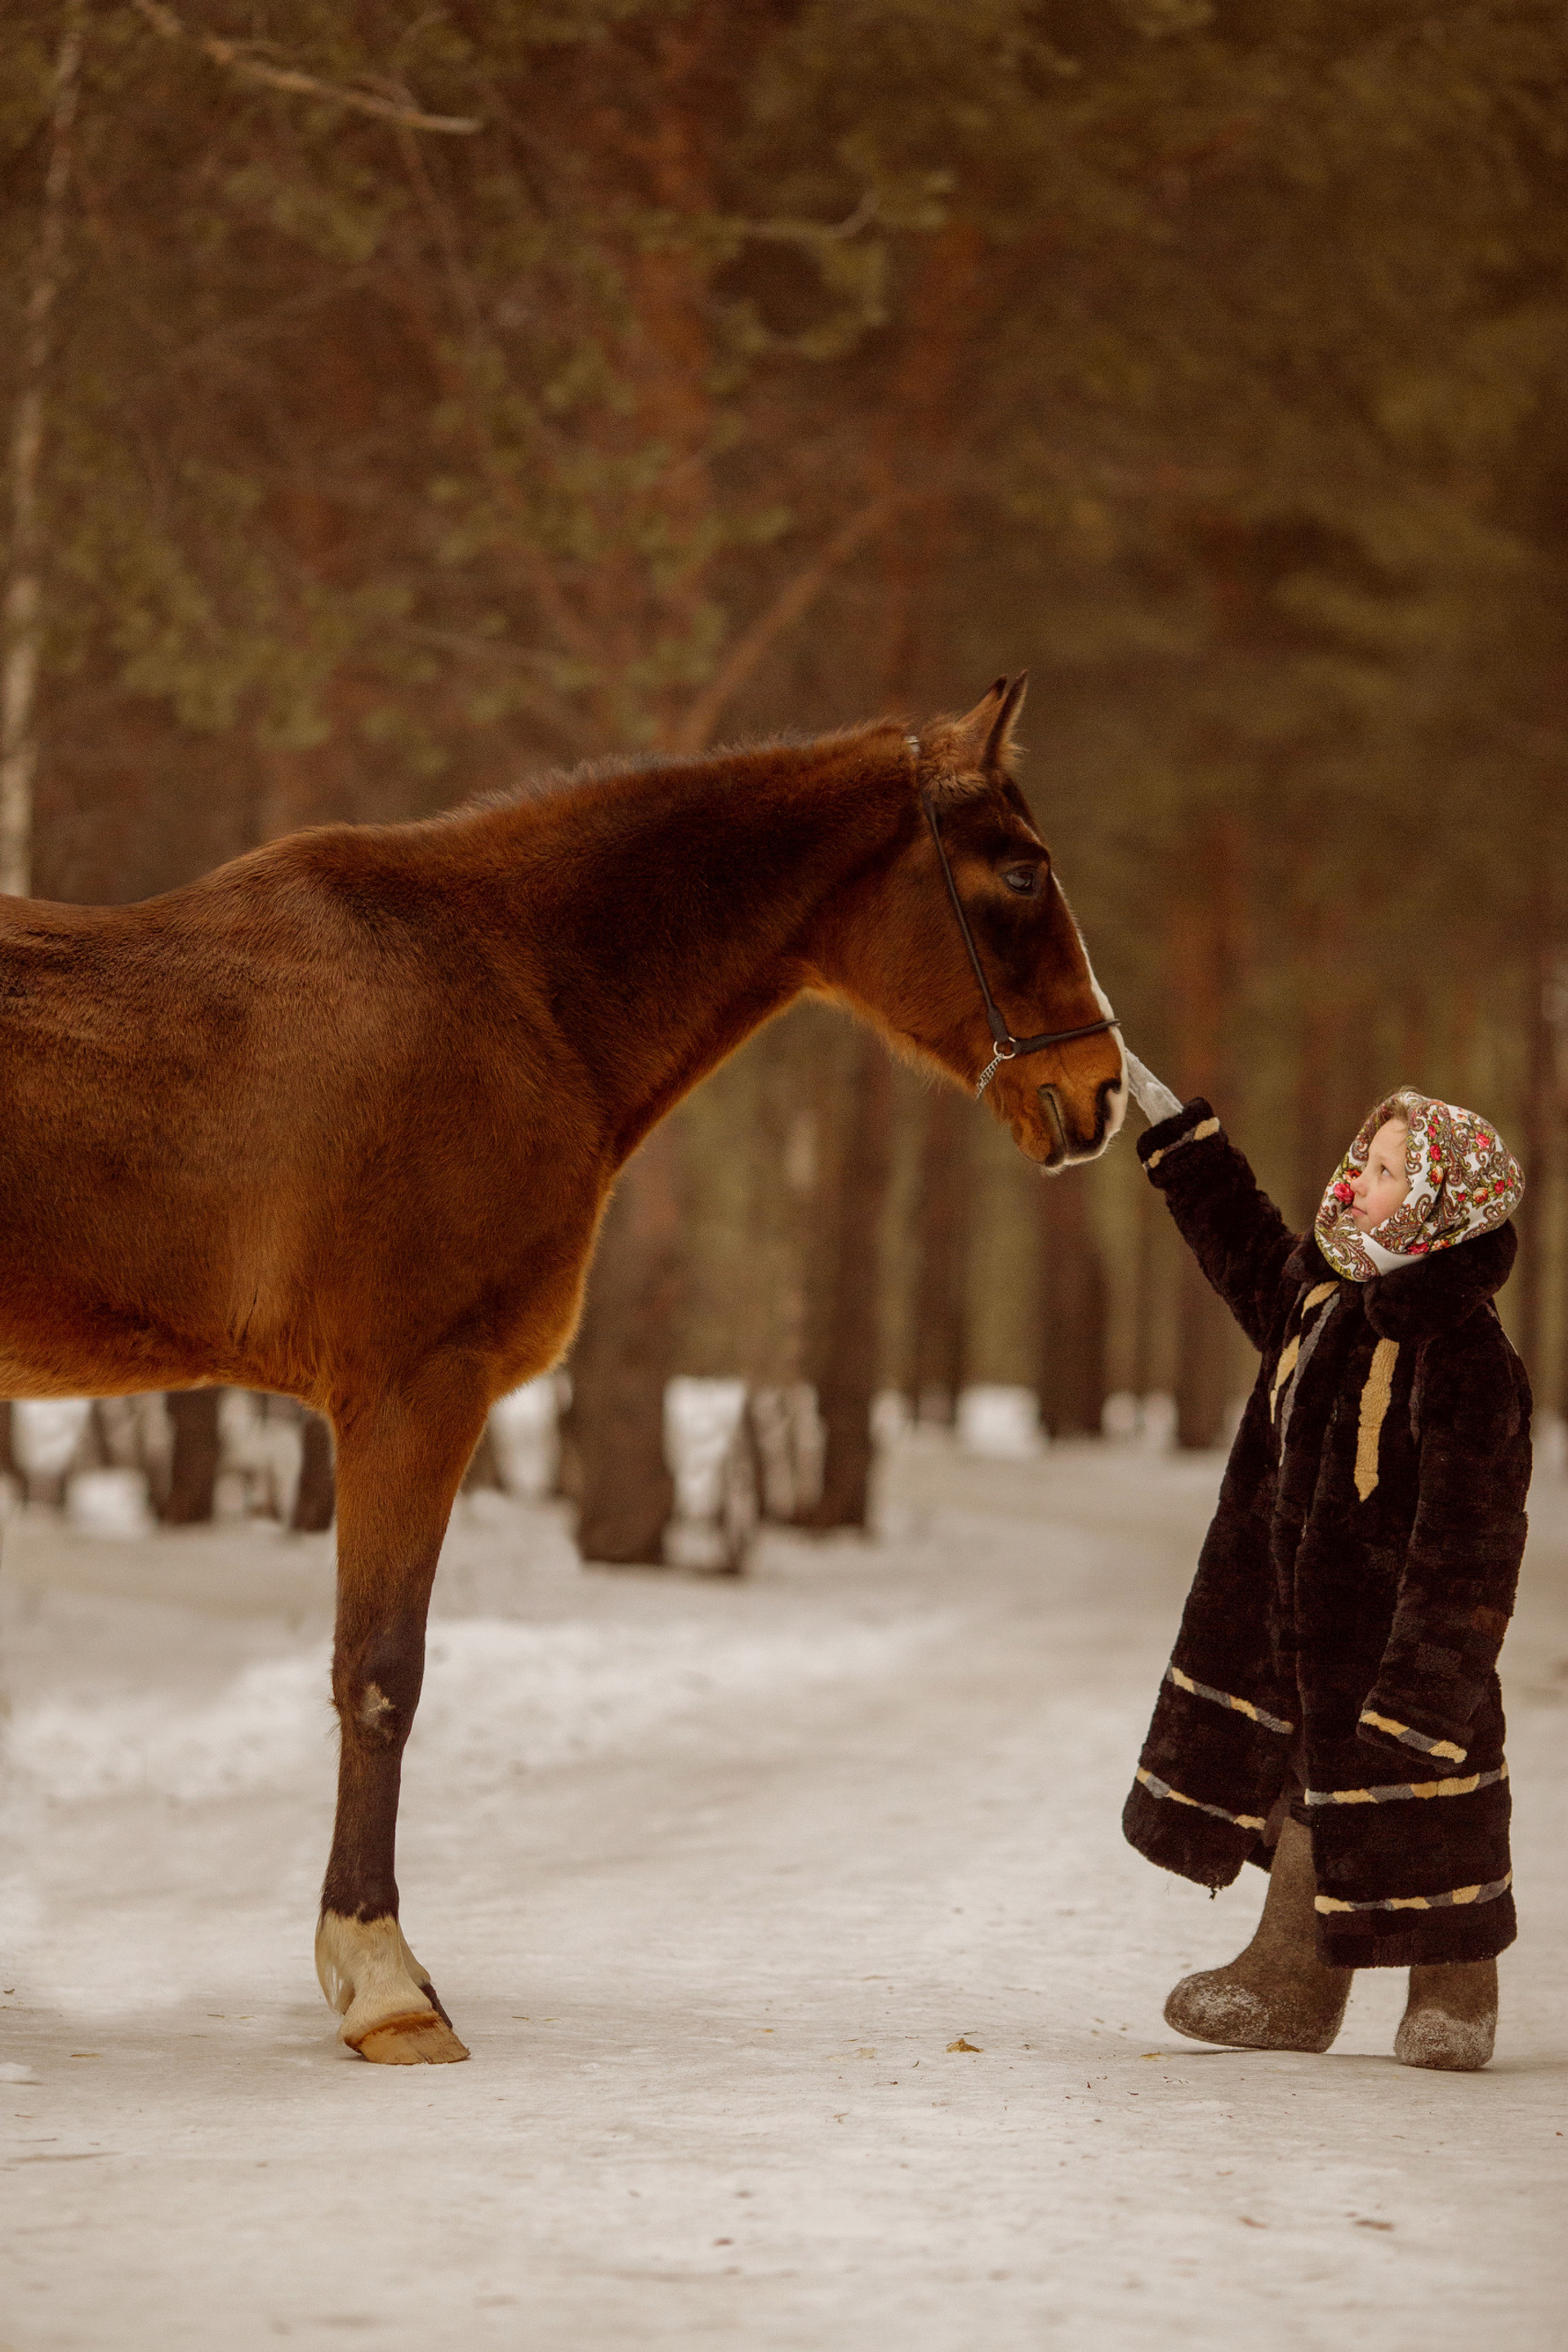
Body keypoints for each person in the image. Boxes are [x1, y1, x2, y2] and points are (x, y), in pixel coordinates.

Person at [1120, 1054, 1530, 2072]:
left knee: (1438, 1797)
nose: (1355, 1183)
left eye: (1387, 1172)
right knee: (1310, 1785)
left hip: (1407, 1650)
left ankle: (1457, 1993)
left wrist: (1427, 1688)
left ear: (1439, 1205)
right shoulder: (1320, 1298)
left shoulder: (1468, 1358)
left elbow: (1474, 1547)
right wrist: (1183, 1147)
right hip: (1300, 1627)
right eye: (1361, 1160)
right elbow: (1241, 1243)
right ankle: (1294, 1978)